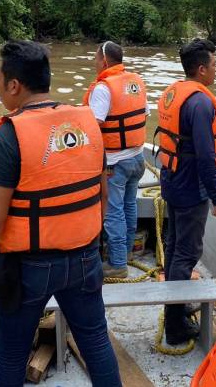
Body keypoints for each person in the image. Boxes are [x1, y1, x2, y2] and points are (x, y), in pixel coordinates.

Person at [0, 40, 121, 387]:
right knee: (96, 343)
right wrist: (89, 245)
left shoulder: (9, 137)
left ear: (14, 86)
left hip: (27, 268)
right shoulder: (87, 123)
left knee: (12, 356)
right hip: (84, 258)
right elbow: (103, 196)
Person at [154, 39, 216, 345]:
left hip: (172, 180)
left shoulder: (176, 92)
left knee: (174, 248)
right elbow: (206, 157)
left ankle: (176, 305)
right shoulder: (200, 104)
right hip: (190, 188)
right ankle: (175, 327)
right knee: (187, 253)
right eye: (214, 65)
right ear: (201, 69)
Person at [82, 41, 149, 279]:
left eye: (95, 58)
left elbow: (93, 124)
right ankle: (127, 252)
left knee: (113, 212)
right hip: (137, 158)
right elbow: (144, 114)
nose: (94, 62)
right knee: (129, 206)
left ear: (104, 60)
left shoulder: (103, 88)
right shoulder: (136, 81)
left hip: (114, 163)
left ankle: (118, 264)